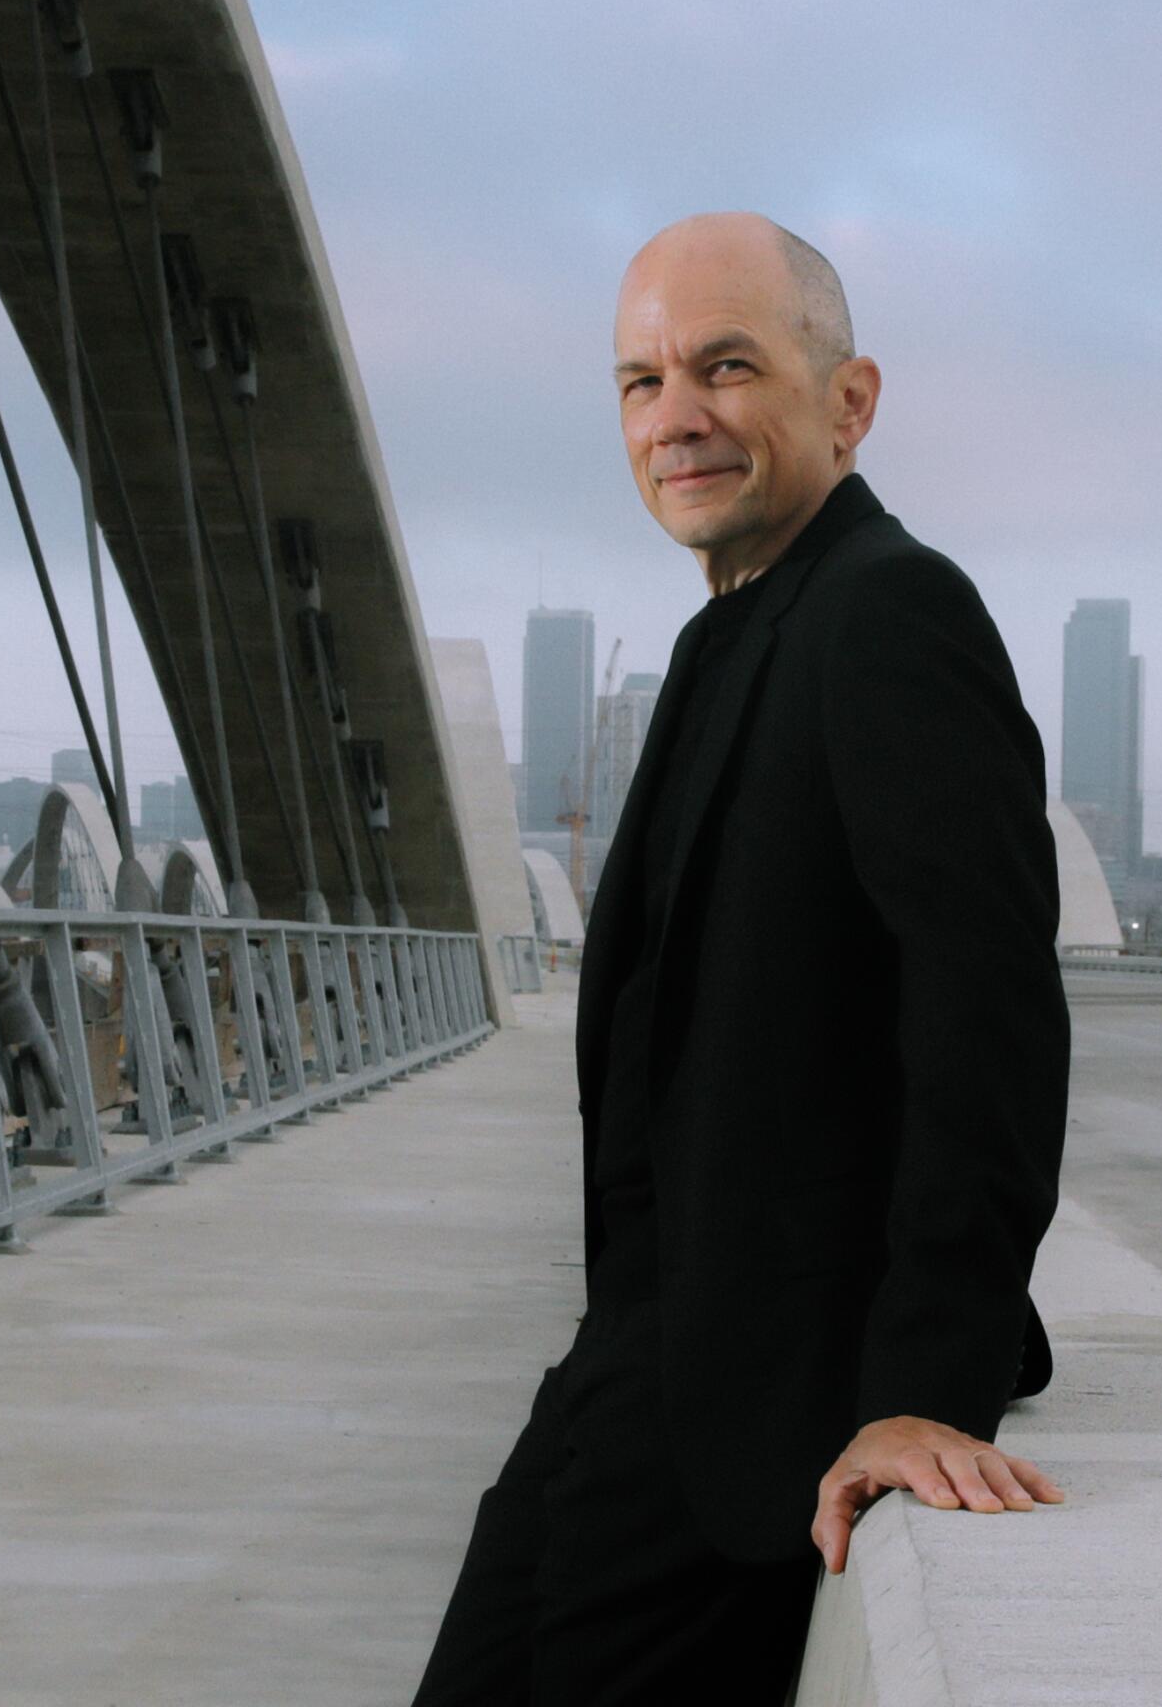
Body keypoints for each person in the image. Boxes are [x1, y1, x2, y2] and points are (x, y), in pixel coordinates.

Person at [413, 212, 1070, 1705]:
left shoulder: (890, 611)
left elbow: (989, 1012)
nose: (678, 416)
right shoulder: (740, 630)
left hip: (767, 1411)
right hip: (642, 1371)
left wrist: (923, 1394)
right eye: (641, 382)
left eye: (726, 366)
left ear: (849, 401)